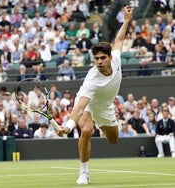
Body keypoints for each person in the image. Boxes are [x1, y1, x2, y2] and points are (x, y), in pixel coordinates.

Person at [57, 6, 134, 185]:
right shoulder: (91, 80)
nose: (99, 62)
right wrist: (68, 126)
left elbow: (119, 39)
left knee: (113, 140)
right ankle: (84, 172)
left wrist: (127, 20)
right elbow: (80, 106)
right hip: (89, 105)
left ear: (109, 58)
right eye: (96, 59)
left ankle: (100, 124)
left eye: (102, 58)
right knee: (86, 131)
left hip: (105, 107)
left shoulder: (116, 57)